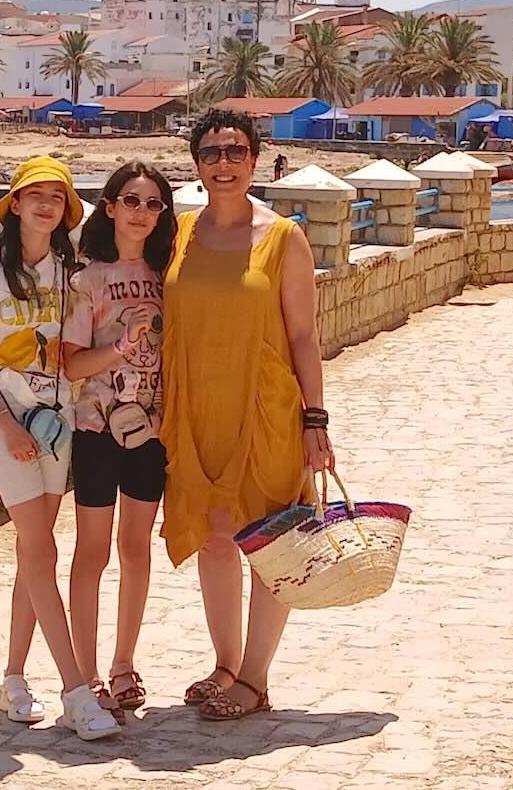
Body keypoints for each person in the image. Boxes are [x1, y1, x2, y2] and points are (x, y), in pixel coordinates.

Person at [0, 155, 121, 741]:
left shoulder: (69, 273)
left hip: (55, 427)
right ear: (14, 204)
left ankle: (13, 678)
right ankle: (76, 691)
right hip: (6, 429)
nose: (46, 205)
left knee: (33, 555)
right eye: (35, 195)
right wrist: (5, 423)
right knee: (41, 551)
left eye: (57, 197)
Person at [161, 109, 336, 721]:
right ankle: (226, 664)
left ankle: (256, 679)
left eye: (235, 151)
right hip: (196, 408)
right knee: (214, 538)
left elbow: (304, 336)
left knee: (270, 541)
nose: (224, 163)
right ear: (197, 165)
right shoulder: (180, 232)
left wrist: (315, 420)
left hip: (266, 407)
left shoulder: (283, 237)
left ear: (255, 160)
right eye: (211, 153)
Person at [62, 161, 176, 723]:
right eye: (131, 201)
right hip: (95, 432)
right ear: (109, 207)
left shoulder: (169, 276)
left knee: (136, 547)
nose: (141, 212)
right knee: (92, 552)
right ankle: (84, 675)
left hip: (152, 434)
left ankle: (124, 662)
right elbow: (72, 364)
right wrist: (121, 349)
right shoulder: (86, 280)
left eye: (153, 203)